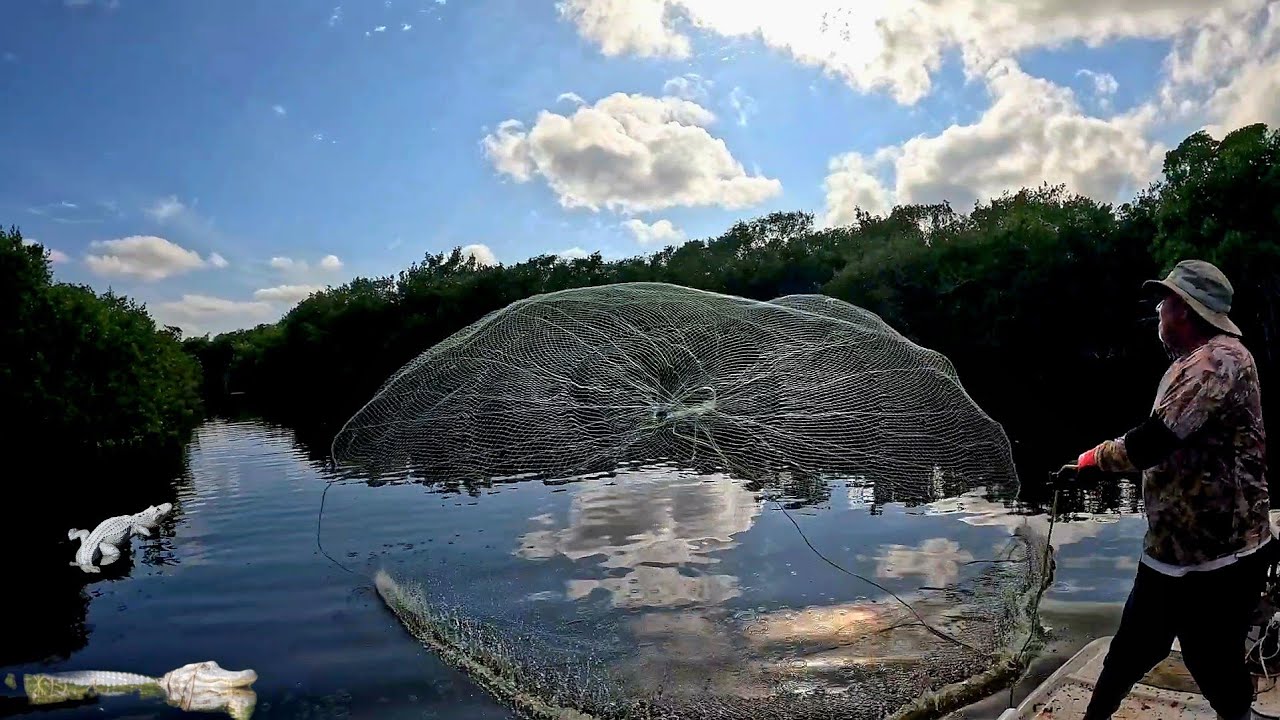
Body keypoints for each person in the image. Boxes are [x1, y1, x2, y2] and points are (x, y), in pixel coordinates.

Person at [1058, 259, 1271, 720]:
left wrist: (1093, 460)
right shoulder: (1192, 364)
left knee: (1210, 659)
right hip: (1172, 552)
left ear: (1186, 312)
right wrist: (1096, 462)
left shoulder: (1221, 359)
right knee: (1130, 651)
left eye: (1166, 301)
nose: (1158, 309)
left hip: (1223, 557)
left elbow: (1155, 440)